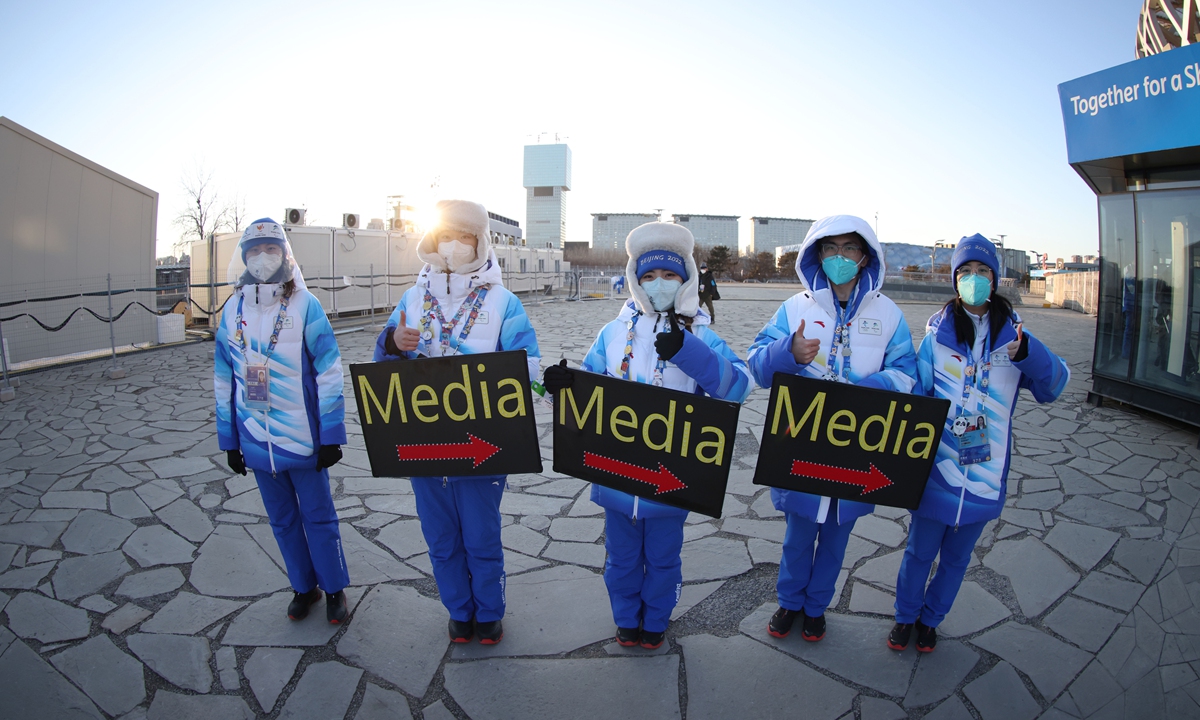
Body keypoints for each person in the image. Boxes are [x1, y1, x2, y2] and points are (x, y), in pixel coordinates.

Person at [541, 222, 751, 650]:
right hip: (616, 475)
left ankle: (655, 620)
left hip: (671, 482)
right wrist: (559, 385)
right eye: (649, 276)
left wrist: (691, 353)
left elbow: (739, 388)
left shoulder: (702, 334)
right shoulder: (613, 332)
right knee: (619, 559)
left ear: (687, 279)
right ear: (636, 280)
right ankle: (626, 619)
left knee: (662, 559)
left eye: (670, 275)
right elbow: (589, 388)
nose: (659, 284)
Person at [888, 235, 1069, 653]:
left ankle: (931, 620)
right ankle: (904, 617)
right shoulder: (936, 338)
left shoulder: (1016, 337)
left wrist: (1029, 352)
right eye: (965, 272)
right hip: (937, 472)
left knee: (956, 560)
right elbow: (918, 396)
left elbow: (1055, 386)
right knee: (918, 553)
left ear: (995, 278)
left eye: (982, 271)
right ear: (955, 279)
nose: (973, 279)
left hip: (986, 476)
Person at [373, 199, 540, 645]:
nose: (454, 245)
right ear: (433, 238)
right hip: (424, 441)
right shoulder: (412, 297)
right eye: (447, 235)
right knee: (440, 536)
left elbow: (530, 364)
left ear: (480, 242)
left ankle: (488, 611)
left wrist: (540, 378)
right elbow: (381, 360)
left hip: (483, 441)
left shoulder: (504, 302)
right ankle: (458, 609)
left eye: (465, 237)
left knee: (481, 535)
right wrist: (393, 339)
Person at [746, 215, 917, 642]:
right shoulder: (794, 307)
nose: (839, 258)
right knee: (798, 536)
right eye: (830, 248)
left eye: (849, 249)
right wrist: (788, 351)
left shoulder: (889, 315)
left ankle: (817, 607)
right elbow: (755, 364)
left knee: (836, 540)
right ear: (816, 254)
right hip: (801, 445)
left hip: (858, 448)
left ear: (865, 258)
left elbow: (907, 373)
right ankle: (789, 603)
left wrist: (868, 391)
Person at [214, 218, 350, 624]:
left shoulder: (305, 305)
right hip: (256, 441)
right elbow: (225, 378)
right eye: (253, 252)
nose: (261, 259)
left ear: (284, 254)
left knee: (319, 516)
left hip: (303, 440)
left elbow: (329, 370)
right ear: (243, 258)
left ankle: (334, 588)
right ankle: (302, 586)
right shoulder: (232, 310)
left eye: (270, 249)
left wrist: (331, 433)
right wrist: (230, 440)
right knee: (282, 521)